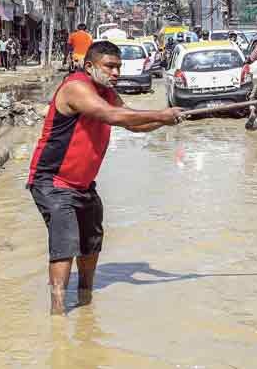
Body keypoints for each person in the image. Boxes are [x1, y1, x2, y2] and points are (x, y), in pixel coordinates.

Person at [27, 41, 183, 315]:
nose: (116, 73)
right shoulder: (76, 87)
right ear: (89, 66)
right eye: (109, 66)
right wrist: (160, 113)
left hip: (83, 184)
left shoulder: (107, 93)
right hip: (52, 181)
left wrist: (166, 120)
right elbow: (112, 116)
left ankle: (86, 302)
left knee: (91, 242)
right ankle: (58, 313)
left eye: (118, 67)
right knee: (65, 243)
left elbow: (131, 124)